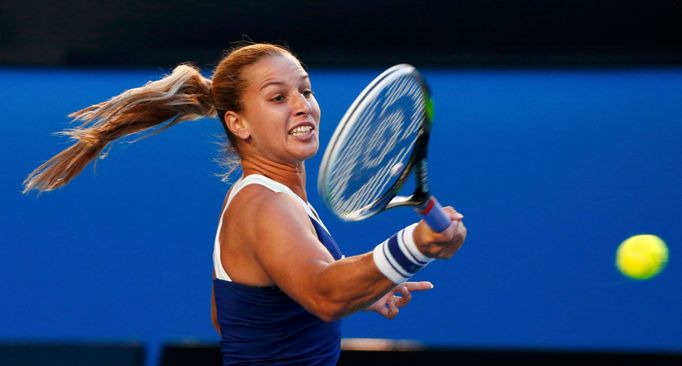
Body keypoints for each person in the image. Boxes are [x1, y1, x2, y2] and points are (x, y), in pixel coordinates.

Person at [23, 42, 467, 365]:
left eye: (306, 91)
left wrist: (362, 291)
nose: (302, 106)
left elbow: (231, 316)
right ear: (238, 123)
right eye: (278, 98)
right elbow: (324, 294)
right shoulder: (264, 205)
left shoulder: (259, 197)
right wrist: (416, 245)